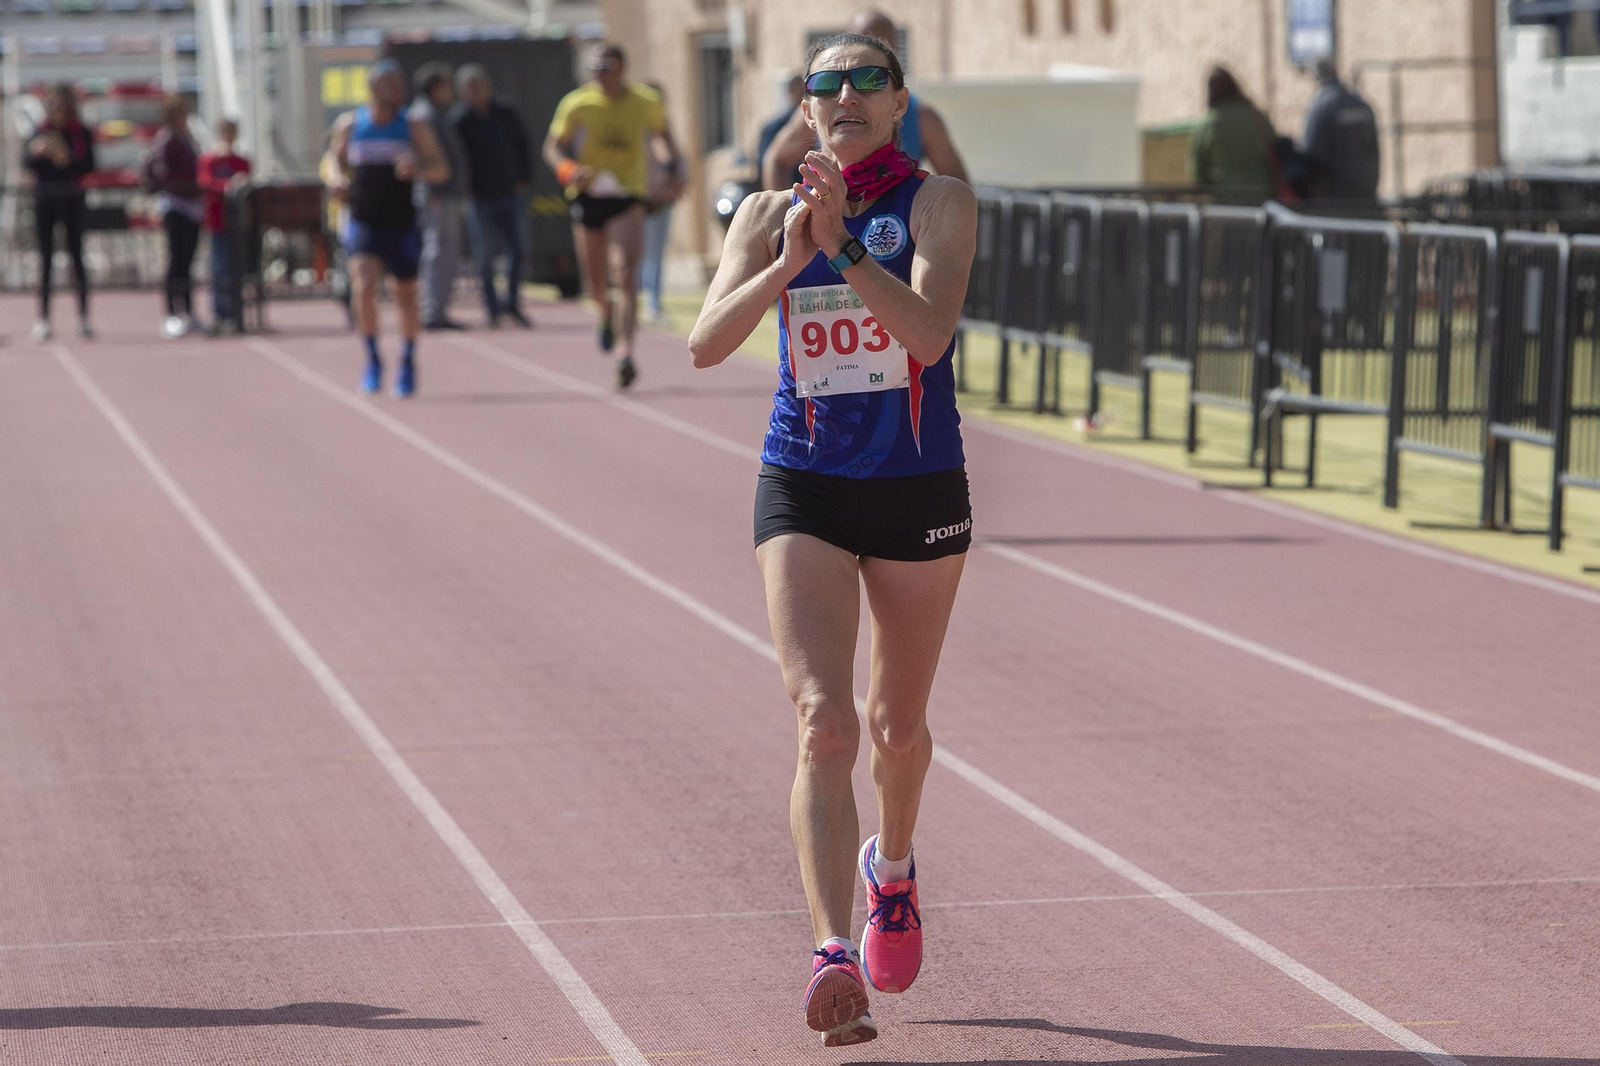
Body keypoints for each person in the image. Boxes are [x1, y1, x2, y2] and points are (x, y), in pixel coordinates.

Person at [687, 31, 976, 1048]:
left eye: (866, 79)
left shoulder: (937, 202)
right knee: (824, 723)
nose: (845, 94)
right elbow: (703, 342)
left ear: (899, 103)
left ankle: (889, 873)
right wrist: (789, 259)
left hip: (913, 487)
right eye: (825, 83)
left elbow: (928, 335)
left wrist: (850, 244)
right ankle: (828, 951)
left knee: (897, 730)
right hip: (803, 482)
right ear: (803, 111)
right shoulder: (770, 214)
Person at [545, 42, 683, 388]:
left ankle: (625, 354)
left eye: (605, 68)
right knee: (595, 282)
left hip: (627, 195)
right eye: (594, 69)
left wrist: (668, 167)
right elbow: (552, 146)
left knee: (624, 272)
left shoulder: (645, 102)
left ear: (621, 68)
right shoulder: (577, 103)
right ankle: (604, 313)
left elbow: (664, 138)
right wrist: (566, 168)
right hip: (588, 192)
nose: (599, 75)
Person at [323, 59, 450, 398]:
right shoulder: (350, 124)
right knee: (363, 287)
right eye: (390, 83)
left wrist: (417, 166)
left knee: (405, 295)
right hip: (364, 219)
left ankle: (407, 359)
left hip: (402, 221)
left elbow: (441, 168)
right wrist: (336, 178)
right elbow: (335, 159)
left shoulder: (413, 125)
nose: (397, 89)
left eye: (399, 83)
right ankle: (373, 359)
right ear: (373, 87)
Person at [761, 10, 968, 191]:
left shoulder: (923, 118)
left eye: (871, 74)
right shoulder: (819, 109)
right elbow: (776, 160)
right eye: (861, 42)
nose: (847, 98)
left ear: (899, 104)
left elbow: (959, 185)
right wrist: (786, 217)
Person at [452, 65, 533, 330]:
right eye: (469, 87)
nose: (475, 92)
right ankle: (491, 308)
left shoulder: (505, 112)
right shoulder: (459, 120)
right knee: (484, 255)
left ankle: (512, 303)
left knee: (517, 249)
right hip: (479, 197)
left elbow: (523, 145)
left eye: (479, 85)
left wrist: (524, 179)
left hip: (510, 192)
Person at [24, 83, 96, 342]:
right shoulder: (40, 132)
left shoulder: (80, 132)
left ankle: (84, 318)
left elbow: (88, 165)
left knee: (77, 257)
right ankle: (43, 318)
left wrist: (65, 158)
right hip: (45, 201)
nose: (57, 110)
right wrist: (37, 152)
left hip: (72, 200)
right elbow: (27, 163)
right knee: (45, 260)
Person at [410, 62, 469, 331]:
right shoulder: (423, 115)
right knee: (437, 250)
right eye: (447, 85)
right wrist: (433, 189)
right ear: (434, 88)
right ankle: (431, 311)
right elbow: (421, 157)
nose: (452, 91)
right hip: (435, 193)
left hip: (446, 193)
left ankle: (438, 309)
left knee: (446, 251)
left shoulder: (438, 113)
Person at [146, 95, 204, 339]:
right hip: (175, 205)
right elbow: (163, 174)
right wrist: (190, 184)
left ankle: (188, 311)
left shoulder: (187, 138)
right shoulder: (166, 140)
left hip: (192, 205)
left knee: (188, 261)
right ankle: (171, 313)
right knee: (176, 259)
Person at [1191, 66, 1276, 204]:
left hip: (1229, 203)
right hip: (1264, 198)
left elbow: (1198, 172)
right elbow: (1275, 148)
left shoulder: (1209, 123)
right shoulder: (1257, 116)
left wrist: (1213, 186)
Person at [197, 117, 251, 334]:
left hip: (238, 224)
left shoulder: (241, 161)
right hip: (218, 222)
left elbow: (247, 180)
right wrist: (228, 184)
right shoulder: (209, 160)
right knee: (220, 268)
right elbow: (205, 182)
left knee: (237, 268)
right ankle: (220, 313)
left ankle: (236, 312)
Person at [637, 82, 685, 323]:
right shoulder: (636, 127)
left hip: (659, 204)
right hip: (635, 201)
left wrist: (675, 186)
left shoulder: (665, 128)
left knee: (654, 254)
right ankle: (633, 301)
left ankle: (652, 303)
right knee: (633, 254)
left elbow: (678, 162)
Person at [1301, 58, 1381, 202]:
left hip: (1335, 200)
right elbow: (1374, 150)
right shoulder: (1361, 104)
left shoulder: (1321, 107)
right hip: (1366, 195)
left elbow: (1309, 151)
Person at [756, 73, 805, 193]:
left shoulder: (814, 115)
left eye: (803, 89)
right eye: (797, 89)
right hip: (791, 187)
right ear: (790, 92)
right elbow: (769, 161)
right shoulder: (775, 126)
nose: (800, 94)